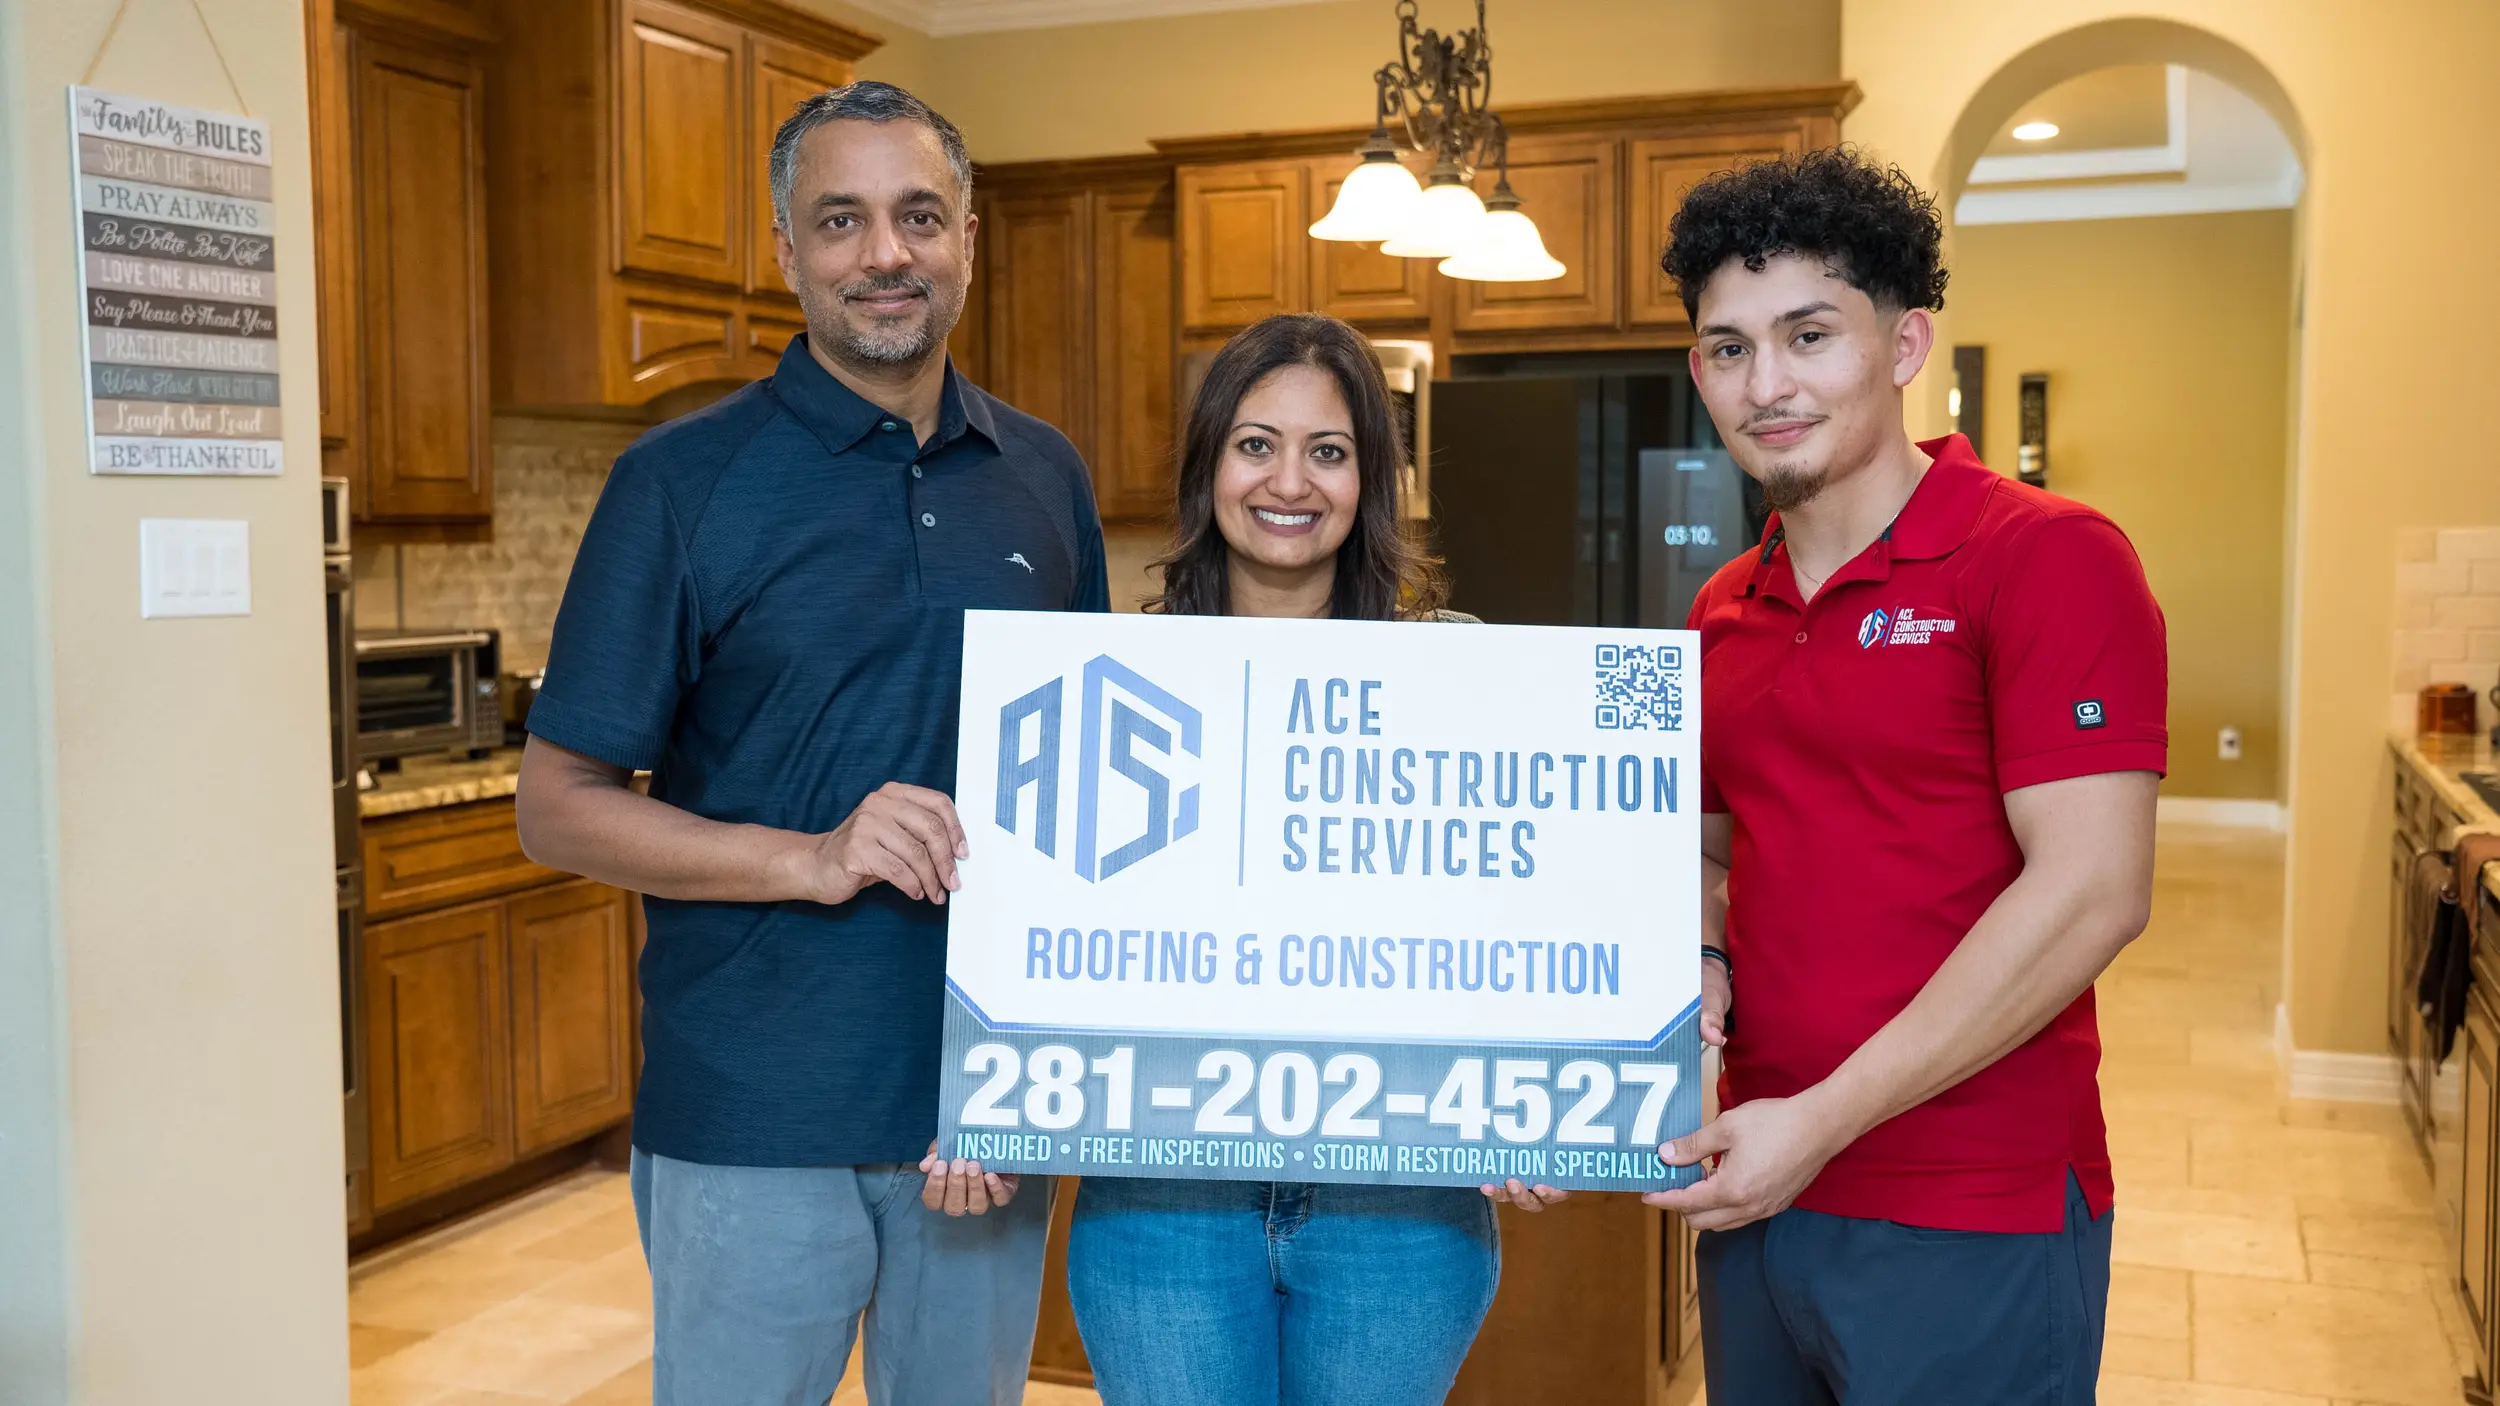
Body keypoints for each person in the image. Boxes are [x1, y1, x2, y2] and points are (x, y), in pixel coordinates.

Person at [512, 81, 1107, 1406]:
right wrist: (811, 855)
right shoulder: (677, 484)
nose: (883, 254)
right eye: (841, 221)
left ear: (967, 237)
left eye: (917, 216)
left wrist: (1036, 1080)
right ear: (788, 251)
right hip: (752, 1103)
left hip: (982, 1105)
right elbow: (556, 804)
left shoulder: (1046, 475)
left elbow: (1083, 799)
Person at [1642, 147, 2166, 1404]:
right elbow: (1716, 853)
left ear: (1903, 342)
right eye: (1726, 348)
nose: (1765, 384)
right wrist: (1704, 952)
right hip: (1753, 1183)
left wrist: (1818, 1120)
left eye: (1808, 334)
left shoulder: (2044, 558)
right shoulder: (1727, 606)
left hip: (1966, 1204)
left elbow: (2094, 889)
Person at [1057, 312, 1563, 1406]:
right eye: (1255, 443)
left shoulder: (1461, 673)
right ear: (1209, 466)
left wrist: (1549, 1097)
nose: (1290, 479)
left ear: (1369, 478)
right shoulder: (1111, 683)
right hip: (1163, 1196)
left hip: (1398, 1206)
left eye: (1328, 451)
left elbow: (1535, 916)